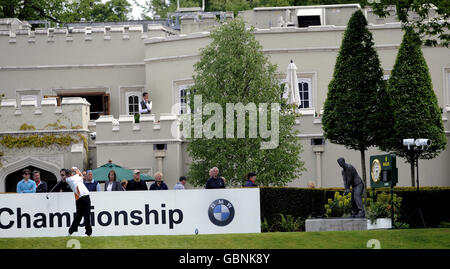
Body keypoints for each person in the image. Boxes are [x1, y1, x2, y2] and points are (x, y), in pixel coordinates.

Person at [66, 167, 92, 236]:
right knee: (78, 217)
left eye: (69, 173)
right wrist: (74, 168)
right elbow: (80, 175)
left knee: (87, 215)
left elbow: (80, 175)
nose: (69, 174)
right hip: (79, 199)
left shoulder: (76, 178)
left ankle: (88, 233)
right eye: (68, 174)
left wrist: (74, 169)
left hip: (86, 197)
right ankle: (70, 232)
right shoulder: (68, 179)